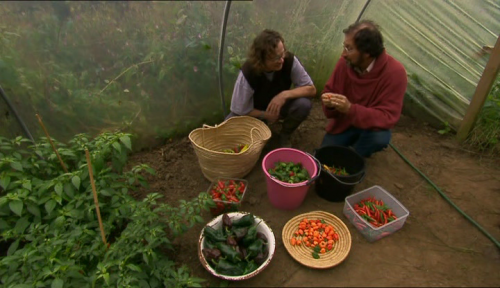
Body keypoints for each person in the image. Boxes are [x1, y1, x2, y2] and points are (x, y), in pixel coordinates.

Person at [320, 20, 408, 157]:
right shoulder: (344, 63)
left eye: (349, 48)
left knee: (379, 139)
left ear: (367, 52)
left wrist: (350, 109)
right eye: (344, 46)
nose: (343, 54)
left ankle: (356, 155)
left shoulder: (395, 72)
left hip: (371, 128)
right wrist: (330, 102)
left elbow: (388, 116)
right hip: (344, 123)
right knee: (325, 155)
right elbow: (329, 90)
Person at [226, 29, 317, 148]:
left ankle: (285, 134)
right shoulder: (248, 72)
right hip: (255, 111)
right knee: (229, 122)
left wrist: (284, 95)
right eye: (275, 58)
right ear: (261, 59)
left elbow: (311, 89)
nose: (281, 60)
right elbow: (239, 109)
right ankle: (259, 131)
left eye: (282, 53)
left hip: (281, 107)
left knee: (303, 104)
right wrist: (265, 115)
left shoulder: (289, 61)